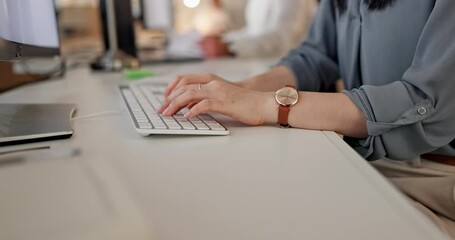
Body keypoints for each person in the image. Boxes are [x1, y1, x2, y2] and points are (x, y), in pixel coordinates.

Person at [159, 0, 455, 238]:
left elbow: (424, 101)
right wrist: (239, 91)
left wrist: (267, 105)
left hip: (436, 184)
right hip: (366, 163)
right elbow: (316, 56)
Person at [199, 0, 318, 58]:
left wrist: (230, 47)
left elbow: (282, 40)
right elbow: (252, 31)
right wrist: (224, 40)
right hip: (264, 67)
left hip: (295, 77)